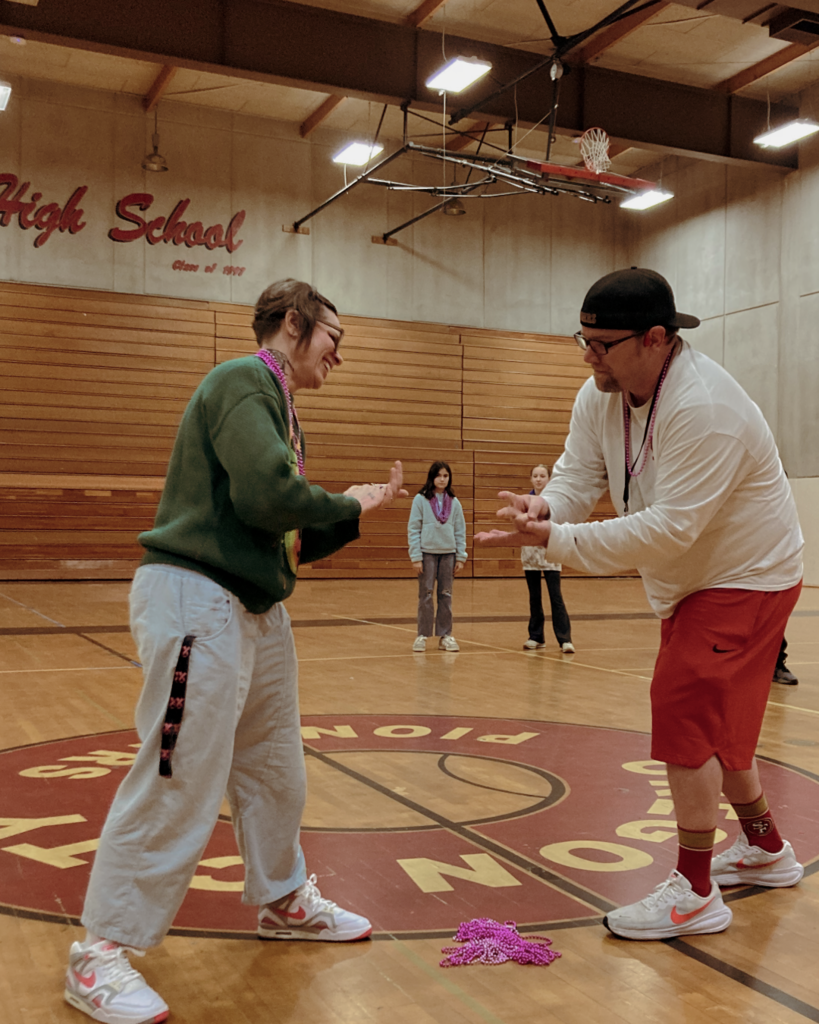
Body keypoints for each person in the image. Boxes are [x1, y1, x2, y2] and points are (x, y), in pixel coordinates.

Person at [64, 279, 407, 1024]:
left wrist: (352, 511)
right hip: (197, 599)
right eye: (333, 339)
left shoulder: (277, 406)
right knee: (178, 773)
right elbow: (262, 495)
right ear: (292, 323)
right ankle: (98, 951)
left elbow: (280, 528)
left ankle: (282, 899)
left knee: (276, 766)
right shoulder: (242, 379)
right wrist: (345, 504)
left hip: (252, 605)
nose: (338, 358)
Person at [476, 267, 804, 941]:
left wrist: (557, 540)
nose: (587, 356)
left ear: (655, 339)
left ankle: (693, 892)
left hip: (745, 575)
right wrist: (548, 506)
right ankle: (767, 849)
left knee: (684, 718)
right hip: (697, 578)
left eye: (601, 344)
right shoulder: (600, 392)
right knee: (715, 730)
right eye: (583, 340)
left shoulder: (703, 408)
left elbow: (666, 530)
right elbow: (577, 471)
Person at [408, 460, 467, 652]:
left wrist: (461, 556)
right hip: (427, 554)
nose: (442, 479)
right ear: (432, 477)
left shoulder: (454, 502)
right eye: (439, 475)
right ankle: (422, 635)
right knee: (426, 594)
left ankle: (445, 635)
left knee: (446, 595)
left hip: (448, 554)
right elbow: (413, 528)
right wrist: (416, 556)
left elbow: (460, 530)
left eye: (446, 476)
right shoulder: (421, 499)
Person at [521, 463, 574, 653]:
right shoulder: (524, 502)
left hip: (551, 552)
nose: (538, 479)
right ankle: (536, 636)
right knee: (534, 597)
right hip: (530, 554)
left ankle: (565, 638)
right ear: (531, 479)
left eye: (542, 476)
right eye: (535, 475)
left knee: (555, 596)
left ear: (549, 479)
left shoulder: (555, 502)